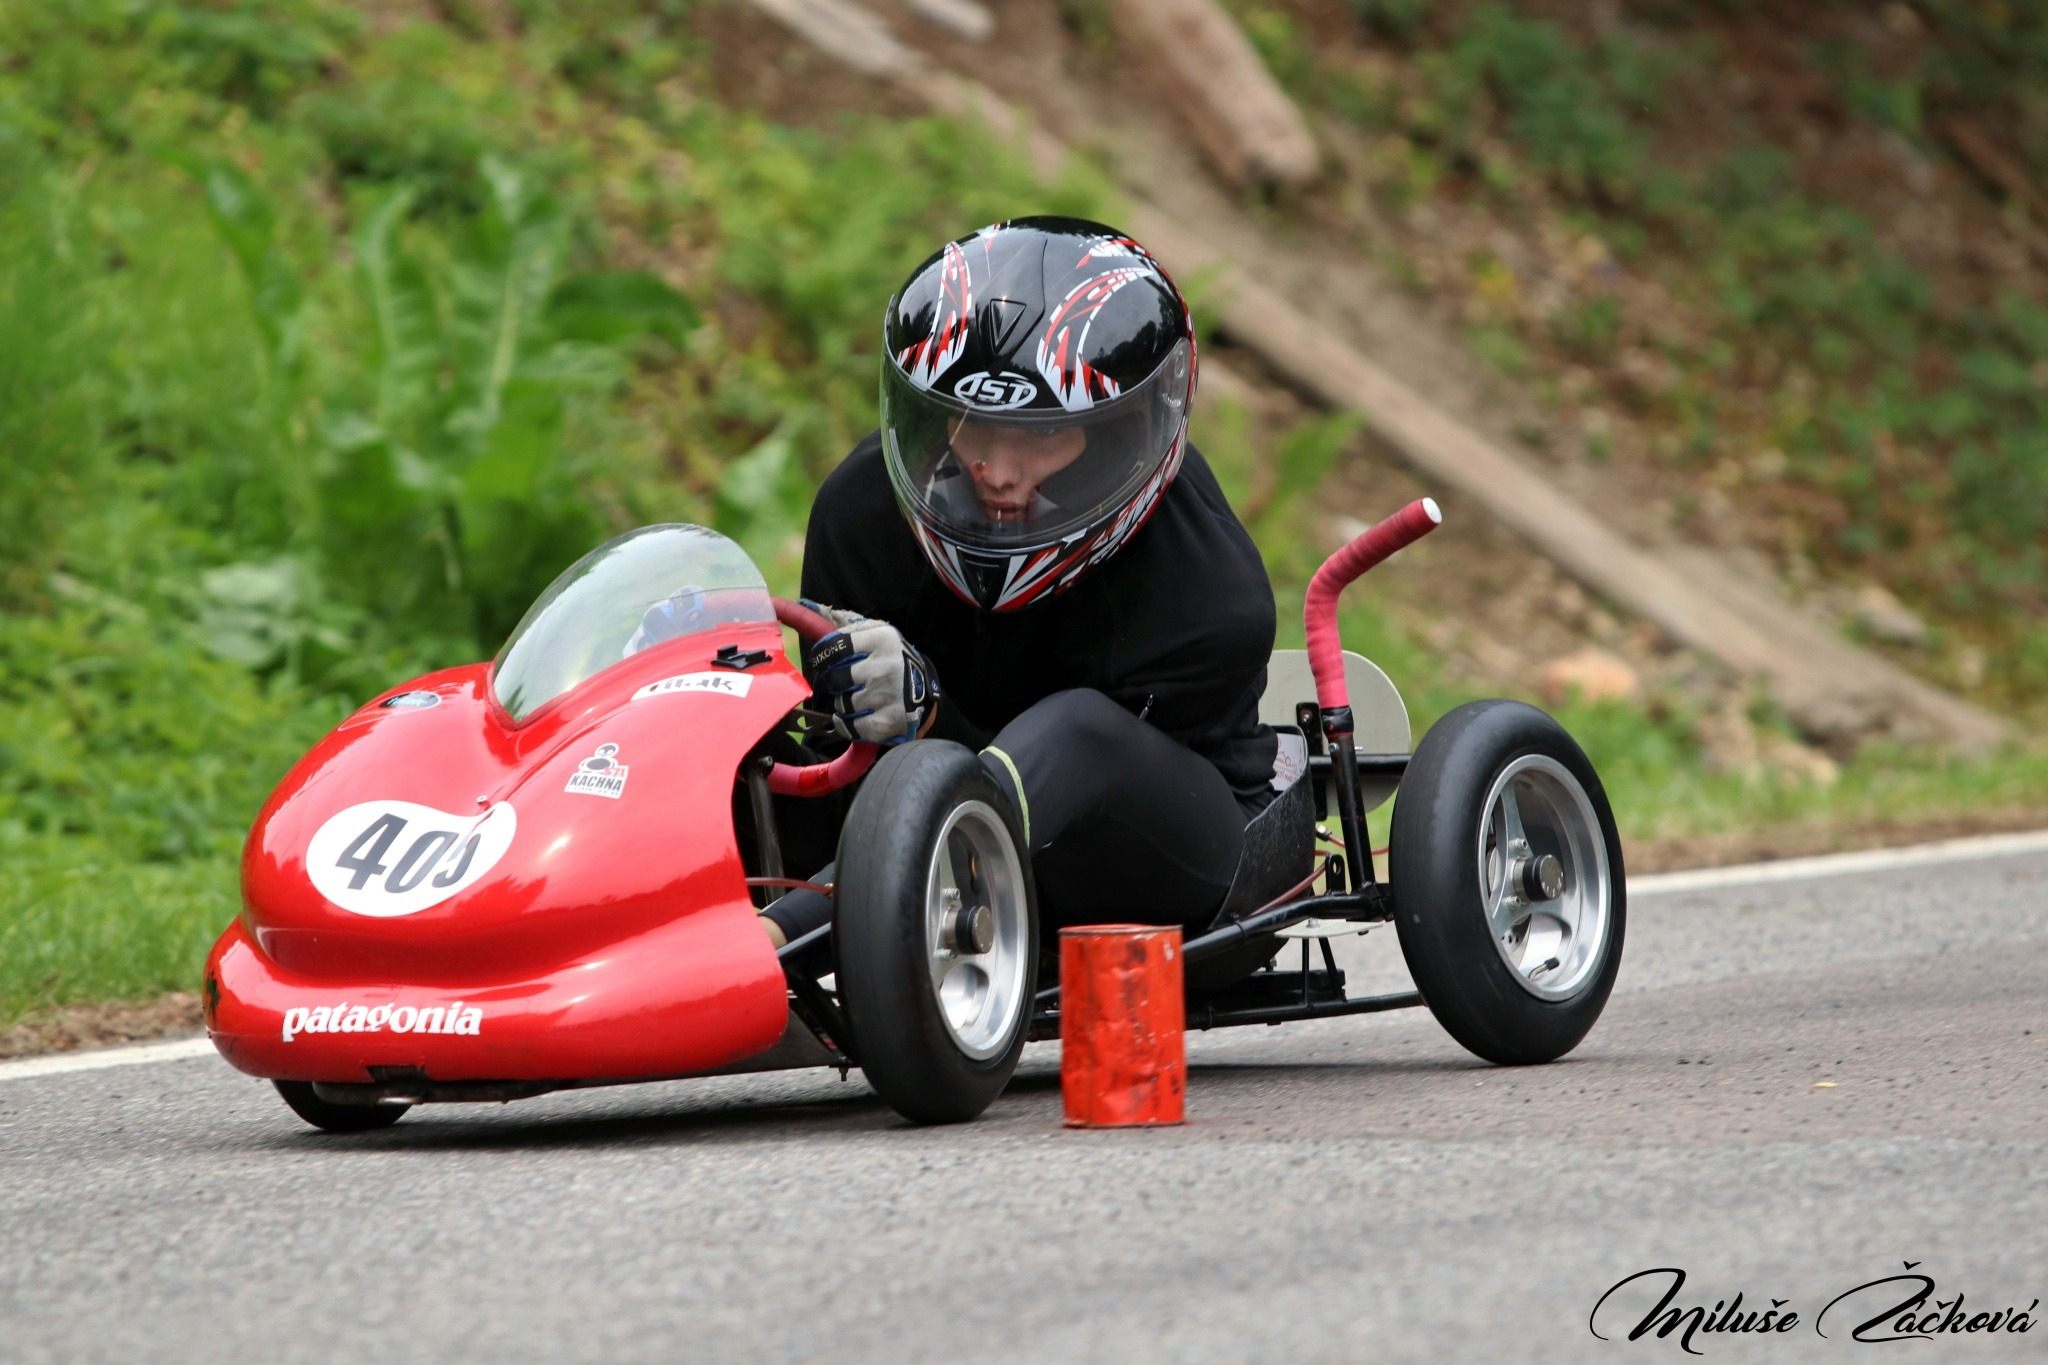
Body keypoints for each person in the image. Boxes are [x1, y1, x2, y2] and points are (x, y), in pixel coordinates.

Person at [761, 216, 1282, 951]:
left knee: (1077, 730)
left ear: (1120, 431)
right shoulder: (861, 514)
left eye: (1041, 433)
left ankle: (767, 948)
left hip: (1173, 876)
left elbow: (1081, 796)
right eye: (972, 422)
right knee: (727, 722)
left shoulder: (1210, 594)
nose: (997, 471)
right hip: (919, 860)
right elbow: (839, 756)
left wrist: (927, 716)